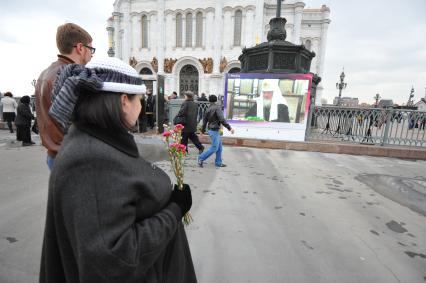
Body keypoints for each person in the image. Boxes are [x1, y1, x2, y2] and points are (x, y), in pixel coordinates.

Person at [40, 57, 196, 283]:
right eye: (139, 100)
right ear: (124, 101)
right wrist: (174, 210)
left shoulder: (97, 142)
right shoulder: (89, 161)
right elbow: (113, 261)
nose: (141, 107)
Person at [35, 22, 93, 170]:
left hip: (54, 154)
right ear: (80, 48)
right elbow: (82, 121)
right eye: (91, 49)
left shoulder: (45, 73)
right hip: (73, 158)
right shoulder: (71, 76)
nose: (92, 54)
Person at [198, 94, 234, 168]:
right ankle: (200, 158)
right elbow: (222, 119)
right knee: (215, 147)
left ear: (209, 101)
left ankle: (218, 162)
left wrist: (202, 131)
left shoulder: (208, 109)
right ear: (216, 100)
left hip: (212, 130)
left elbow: (204, 121)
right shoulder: (217, 108)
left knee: (219, 147)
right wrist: (229, 128)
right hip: (214, 130)